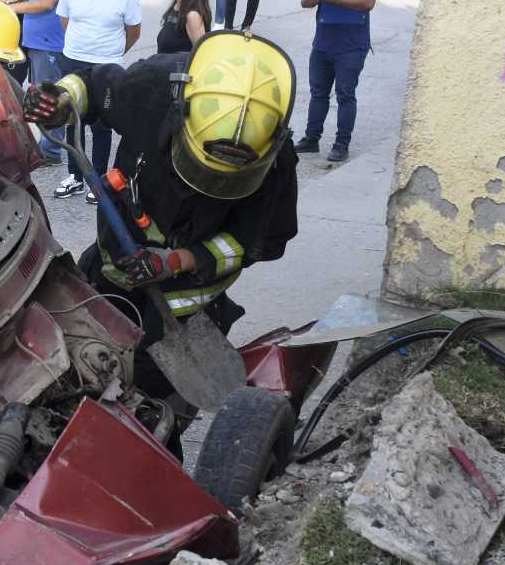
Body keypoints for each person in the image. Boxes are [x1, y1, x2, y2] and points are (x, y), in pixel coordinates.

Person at [22, 35, 298, 399]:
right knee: (79, 365)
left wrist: (180, 260)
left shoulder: (274, 160)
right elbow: (90, 84)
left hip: (184, 304)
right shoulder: (152, 89)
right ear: (181, 114)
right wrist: (62, 100)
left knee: (150, 399)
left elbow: (264, 240)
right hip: (112, 268)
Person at [54, 0, 142, 199]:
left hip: (107, 66)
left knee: (103, 125)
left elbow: (134, 31)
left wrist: (112, 54)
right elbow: (65, 21)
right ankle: (75, 176)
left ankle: (99, 179)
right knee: (72, 119)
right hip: (73, 61)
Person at [10, 0, 84, 180]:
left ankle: (51, 150)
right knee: (45, 92)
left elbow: (48, 3)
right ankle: (49, 146)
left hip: (50, 45)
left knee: (49, 95)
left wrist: (16, 8)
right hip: (45, 43)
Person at [298, 0, 378, 163]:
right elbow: (304, 0)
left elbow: (367, 1)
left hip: (351, 48)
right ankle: (311, 139)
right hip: (322, 45)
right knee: (318, 94)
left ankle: (341, 144)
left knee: (345, 95)